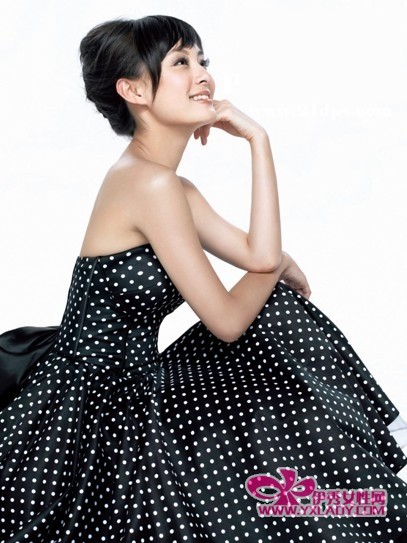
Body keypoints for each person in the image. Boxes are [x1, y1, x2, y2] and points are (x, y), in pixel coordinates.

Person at [0, 14, 406, 543]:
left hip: (135, 383)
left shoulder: (172, 187)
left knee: (276, 314)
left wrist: (259, 140)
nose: (202, 76)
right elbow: (229, 320)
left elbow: (258, 254)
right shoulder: (148, 185)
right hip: (91, 409)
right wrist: (276, 264)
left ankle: (342, 473)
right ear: (133, 91)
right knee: (269, 318)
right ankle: (346, 471)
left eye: (202, 60)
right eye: (180, 62)